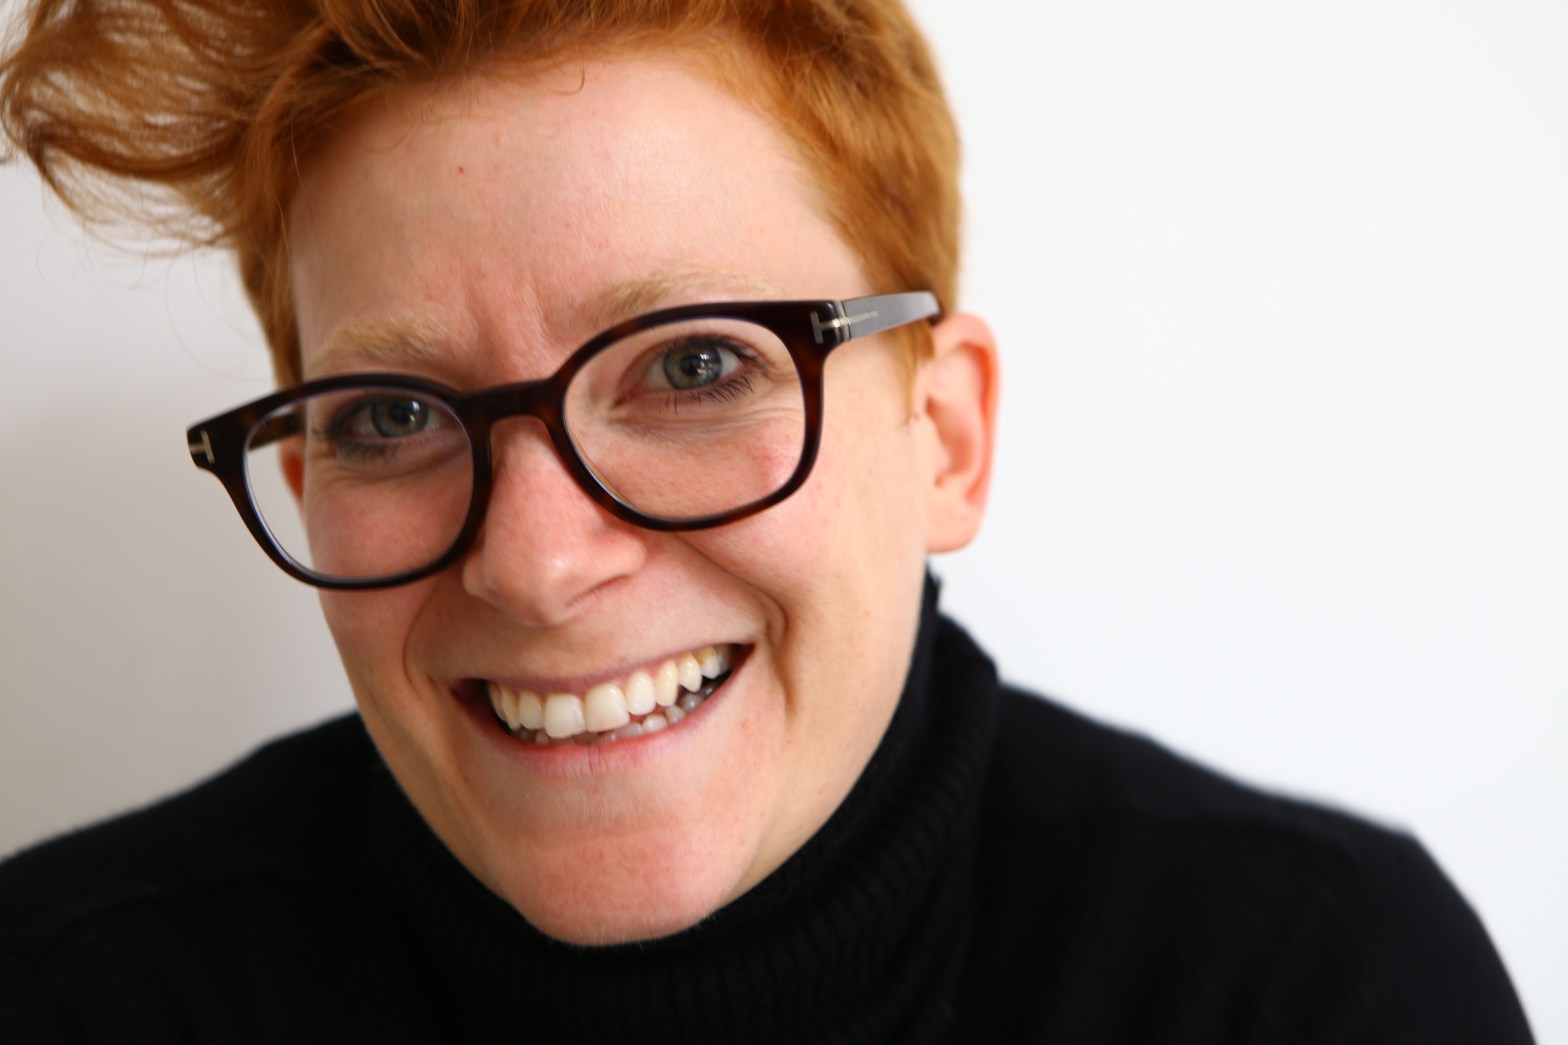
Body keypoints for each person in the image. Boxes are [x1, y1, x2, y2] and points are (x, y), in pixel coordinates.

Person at [0, 0, 1536, 1041]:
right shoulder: (73, 996)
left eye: (695, 367)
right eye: (392, 417)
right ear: (304, 481)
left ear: (945, 439)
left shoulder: (1311, 984)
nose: (535, 563)